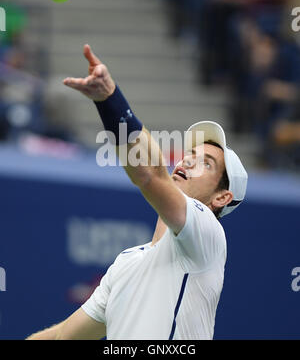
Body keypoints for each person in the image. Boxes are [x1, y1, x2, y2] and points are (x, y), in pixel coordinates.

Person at [26, 45, 248, 340]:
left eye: (205, 163)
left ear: (221, 198)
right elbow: (61, 337)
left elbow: (150, 173)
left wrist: (109, 100)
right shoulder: (126, 263)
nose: (188, 160)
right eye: (190, 153)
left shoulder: (208, 235)